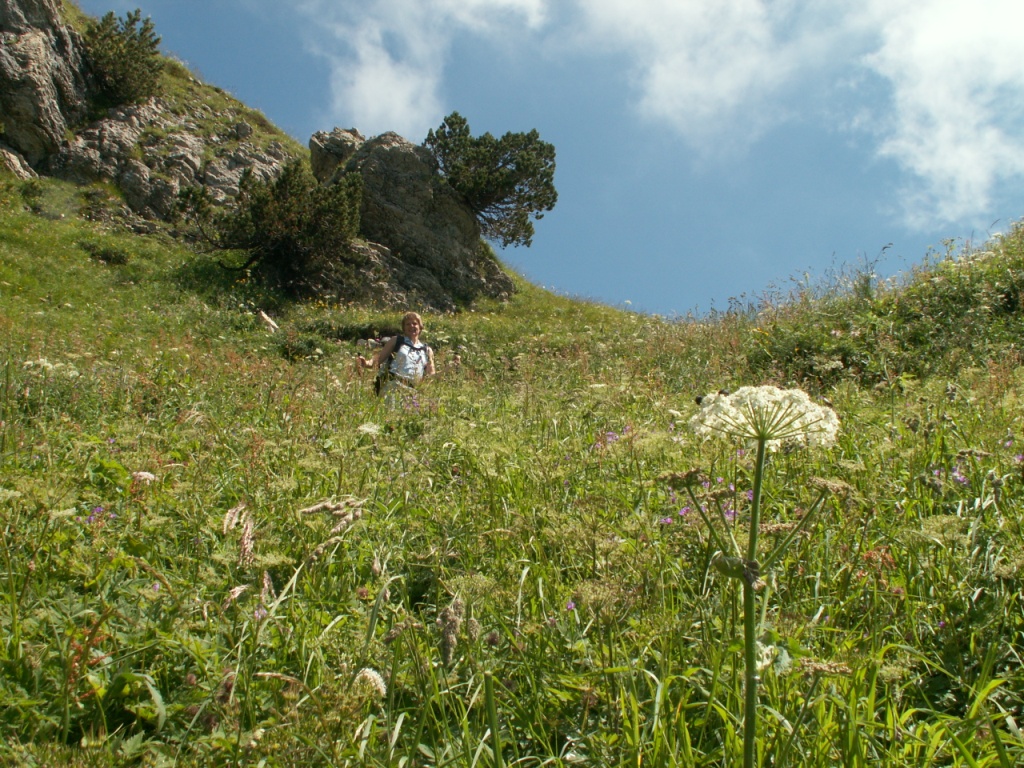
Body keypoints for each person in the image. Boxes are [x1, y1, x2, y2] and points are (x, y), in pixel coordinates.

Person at [357, 311, 435, 397]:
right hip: (393, 386)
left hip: (412, 392)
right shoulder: (396, 341)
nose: (411, 326)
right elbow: (378, 360)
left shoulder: (426, 350)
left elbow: (431, 376)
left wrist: (449, 368)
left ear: (420, 327)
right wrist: (366, 363)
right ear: (404, 328)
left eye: (414, 323)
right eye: (407, 324)